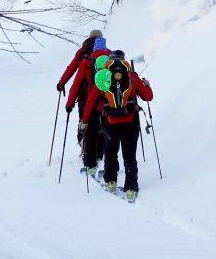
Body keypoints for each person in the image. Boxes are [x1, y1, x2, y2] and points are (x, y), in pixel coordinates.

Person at [82, 50, 153, 202]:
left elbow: (91, 101)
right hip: (131, 122)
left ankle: (111, 182)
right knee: (130, 155)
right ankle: (130, 189)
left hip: (109, 122)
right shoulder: (132, 76)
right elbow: (148, 97)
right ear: (124, 60)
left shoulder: (102, 77)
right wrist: (146, 84)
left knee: (110, 151)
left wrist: (85, 121)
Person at [60, 31, 111, 175]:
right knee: (105, 128)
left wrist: (67, 98)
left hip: (86, 97)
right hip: (107, 100)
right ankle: (102, 155)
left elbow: (72, 72)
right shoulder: (109, 56)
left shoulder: (84, 55)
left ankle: (89, 160)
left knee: (88, 126)